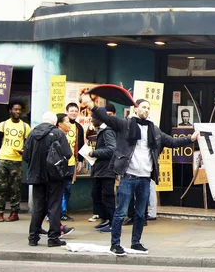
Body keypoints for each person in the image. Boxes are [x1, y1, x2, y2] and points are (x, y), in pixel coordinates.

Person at [82, 94, 198, 256]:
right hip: (129, 176)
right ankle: (115, 244)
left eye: (148, 108)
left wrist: (190, 139)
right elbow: (107, 119)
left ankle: (136, 242)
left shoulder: (154, 129)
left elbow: (171, 142)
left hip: (145, 178)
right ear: (136, 109)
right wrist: (91, 105)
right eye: (143, 106)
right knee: (121, 212)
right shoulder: (126, 124)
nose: (146, 109)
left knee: (139, 213)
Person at [23, 112, 72, 247]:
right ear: (54, 122)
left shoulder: (32, 133)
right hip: (54, 176)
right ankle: (53, 238)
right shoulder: (57, 133)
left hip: (37, 176)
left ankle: (33, 237)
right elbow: (67, 154)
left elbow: (26, 156)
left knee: (38, 206)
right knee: (54, 206)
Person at [0, 99, 30, 222]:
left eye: (19, 110)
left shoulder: (25, 126)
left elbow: (28, 144)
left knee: (15, 188)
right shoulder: (3, 124)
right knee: (1, 187)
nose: (17, 112)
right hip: (3, 159)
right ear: (10, 110)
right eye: (15, 109)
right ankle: (0, 212)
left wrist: (24, 151)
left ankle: (14, 212)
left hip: (16, 161)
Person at [88, 114, 116, 231]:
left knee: (107, 196)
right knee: (96, 194)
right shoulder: (101, 131)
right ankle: (105, 219)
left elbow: (112, 149)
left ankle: (112, 222)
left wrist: (95, 153)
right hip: (99, 170)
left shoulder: (107, 131)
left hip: (107, 170)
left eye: (93, 118)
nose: (92, 120)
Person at [61, 102, 85, 221]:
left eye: (76, 111)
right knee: (58, 188)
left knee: (67, 188)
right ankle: (56, 211)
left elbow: (80, 145)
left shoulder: (79, 127)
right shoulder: (59, 126)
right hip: (60, 163)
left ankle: (63, 211)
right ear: (67, 111)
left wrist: (80, 161)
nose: (74, 113)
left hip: (71, 163)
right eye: (71, 111)